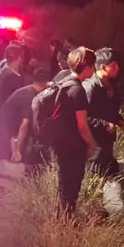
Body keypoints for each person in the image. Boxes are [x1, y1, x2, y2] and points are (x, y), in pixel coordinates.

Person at [41, 47, 98, 216]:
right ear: (87, 66)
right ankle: (68, 224)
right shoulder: (78, 90)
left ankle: (61, 220)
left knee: (63, 184)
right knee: (72, 186)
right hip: (72, 146)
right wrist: (91, 144)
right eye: (93, 65)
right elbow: (82, 125)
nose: (94, 69)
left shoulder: (64, 83)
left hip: (60, 143)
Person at [82, 48, 124, 213]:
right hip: (93, 142)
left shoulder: (111, 85)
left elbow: (110, 110)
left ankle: (104, 210)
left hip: (107, 141)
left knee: (107, 173)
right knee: (93, 175)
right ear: (102, 66)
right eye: (113, 65)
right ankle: (90, 210)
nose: (117, 68)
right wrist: (104, 124)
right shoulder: (90, 86)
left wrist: (118, 119)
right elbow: (83, 117)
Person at [0, 63, 52, 165]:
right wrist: (17, 150)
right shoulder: (30, 98)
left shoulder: (31, 90)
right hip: (5, 129)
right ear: (46, 83)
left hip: (8, 126)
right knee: (15, 160)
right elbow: (24, 125)